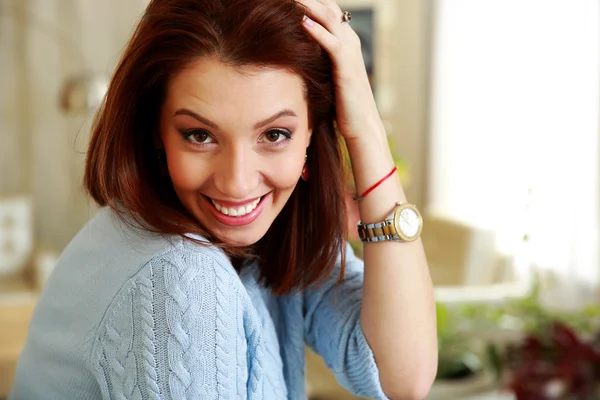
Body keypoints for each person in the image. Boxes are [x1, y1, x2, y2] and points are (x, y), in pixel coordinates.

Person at [10, 0, 437, 399]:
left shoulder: (275, 236)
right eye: (199, 135)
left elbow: (401, 375)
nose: (237, 183)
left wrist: (365, 128)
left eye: (274, 135)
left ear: (311, 133)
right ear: (157, 131)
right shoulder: (179, 279)